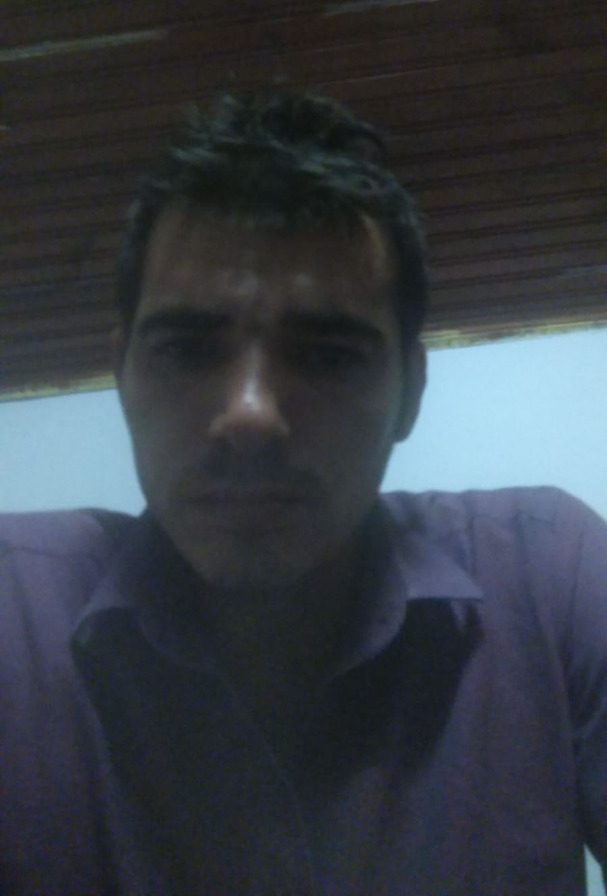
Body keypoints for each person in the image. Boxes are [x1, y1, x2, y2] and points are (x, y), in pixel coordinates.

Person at [1, 88, 606, 896]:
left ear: (411, 392)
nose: (250, 416)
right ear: (122, 374)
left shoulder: (548, 579)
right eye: (187, 349)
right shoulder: (12, 614)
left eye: (327, 355)